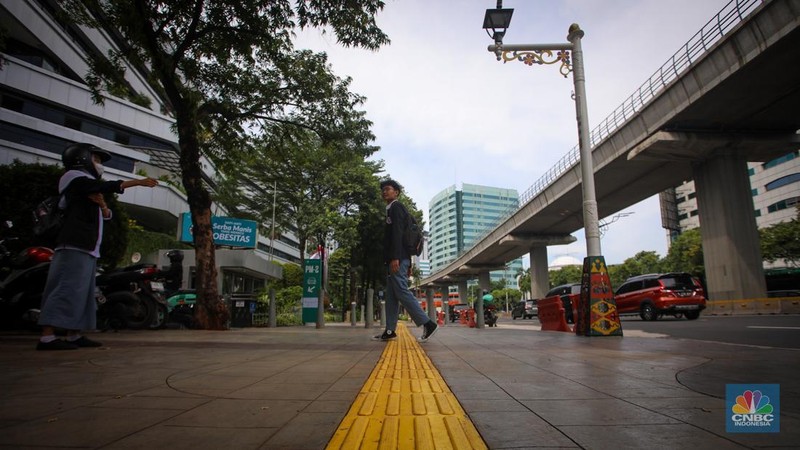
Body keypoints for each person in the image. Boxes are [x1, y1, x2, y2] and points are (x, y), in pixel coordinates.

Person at [36, 143, 158, 350]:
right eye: (97, 159)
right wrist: (137, 182)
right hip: (73, 245)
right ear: (82, 158)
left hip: (88, 248)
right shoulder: (73, 178)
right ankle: (47, 337)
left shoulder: (88, 186)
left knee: (83, 292)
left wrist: (103, 206)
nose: (99, 165)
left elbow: (105, 216)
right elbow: (103, 186)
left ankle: (74, 334)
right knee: (64, 289)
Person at [373, 179, 438, 342]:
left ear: (396, 192)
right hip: (398, 258)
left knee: (401, 290)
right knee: (391, 295)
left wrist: (396, 257)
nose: (384, 192)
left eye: (388, 189)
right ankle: (389, 330)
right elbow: (404, 237)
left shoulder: (396, 207)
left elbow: (397, 234)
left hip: (397, 258)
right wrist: (406, 261)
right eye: (383, 190)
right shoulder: (391, 209)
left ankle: (428, 323)